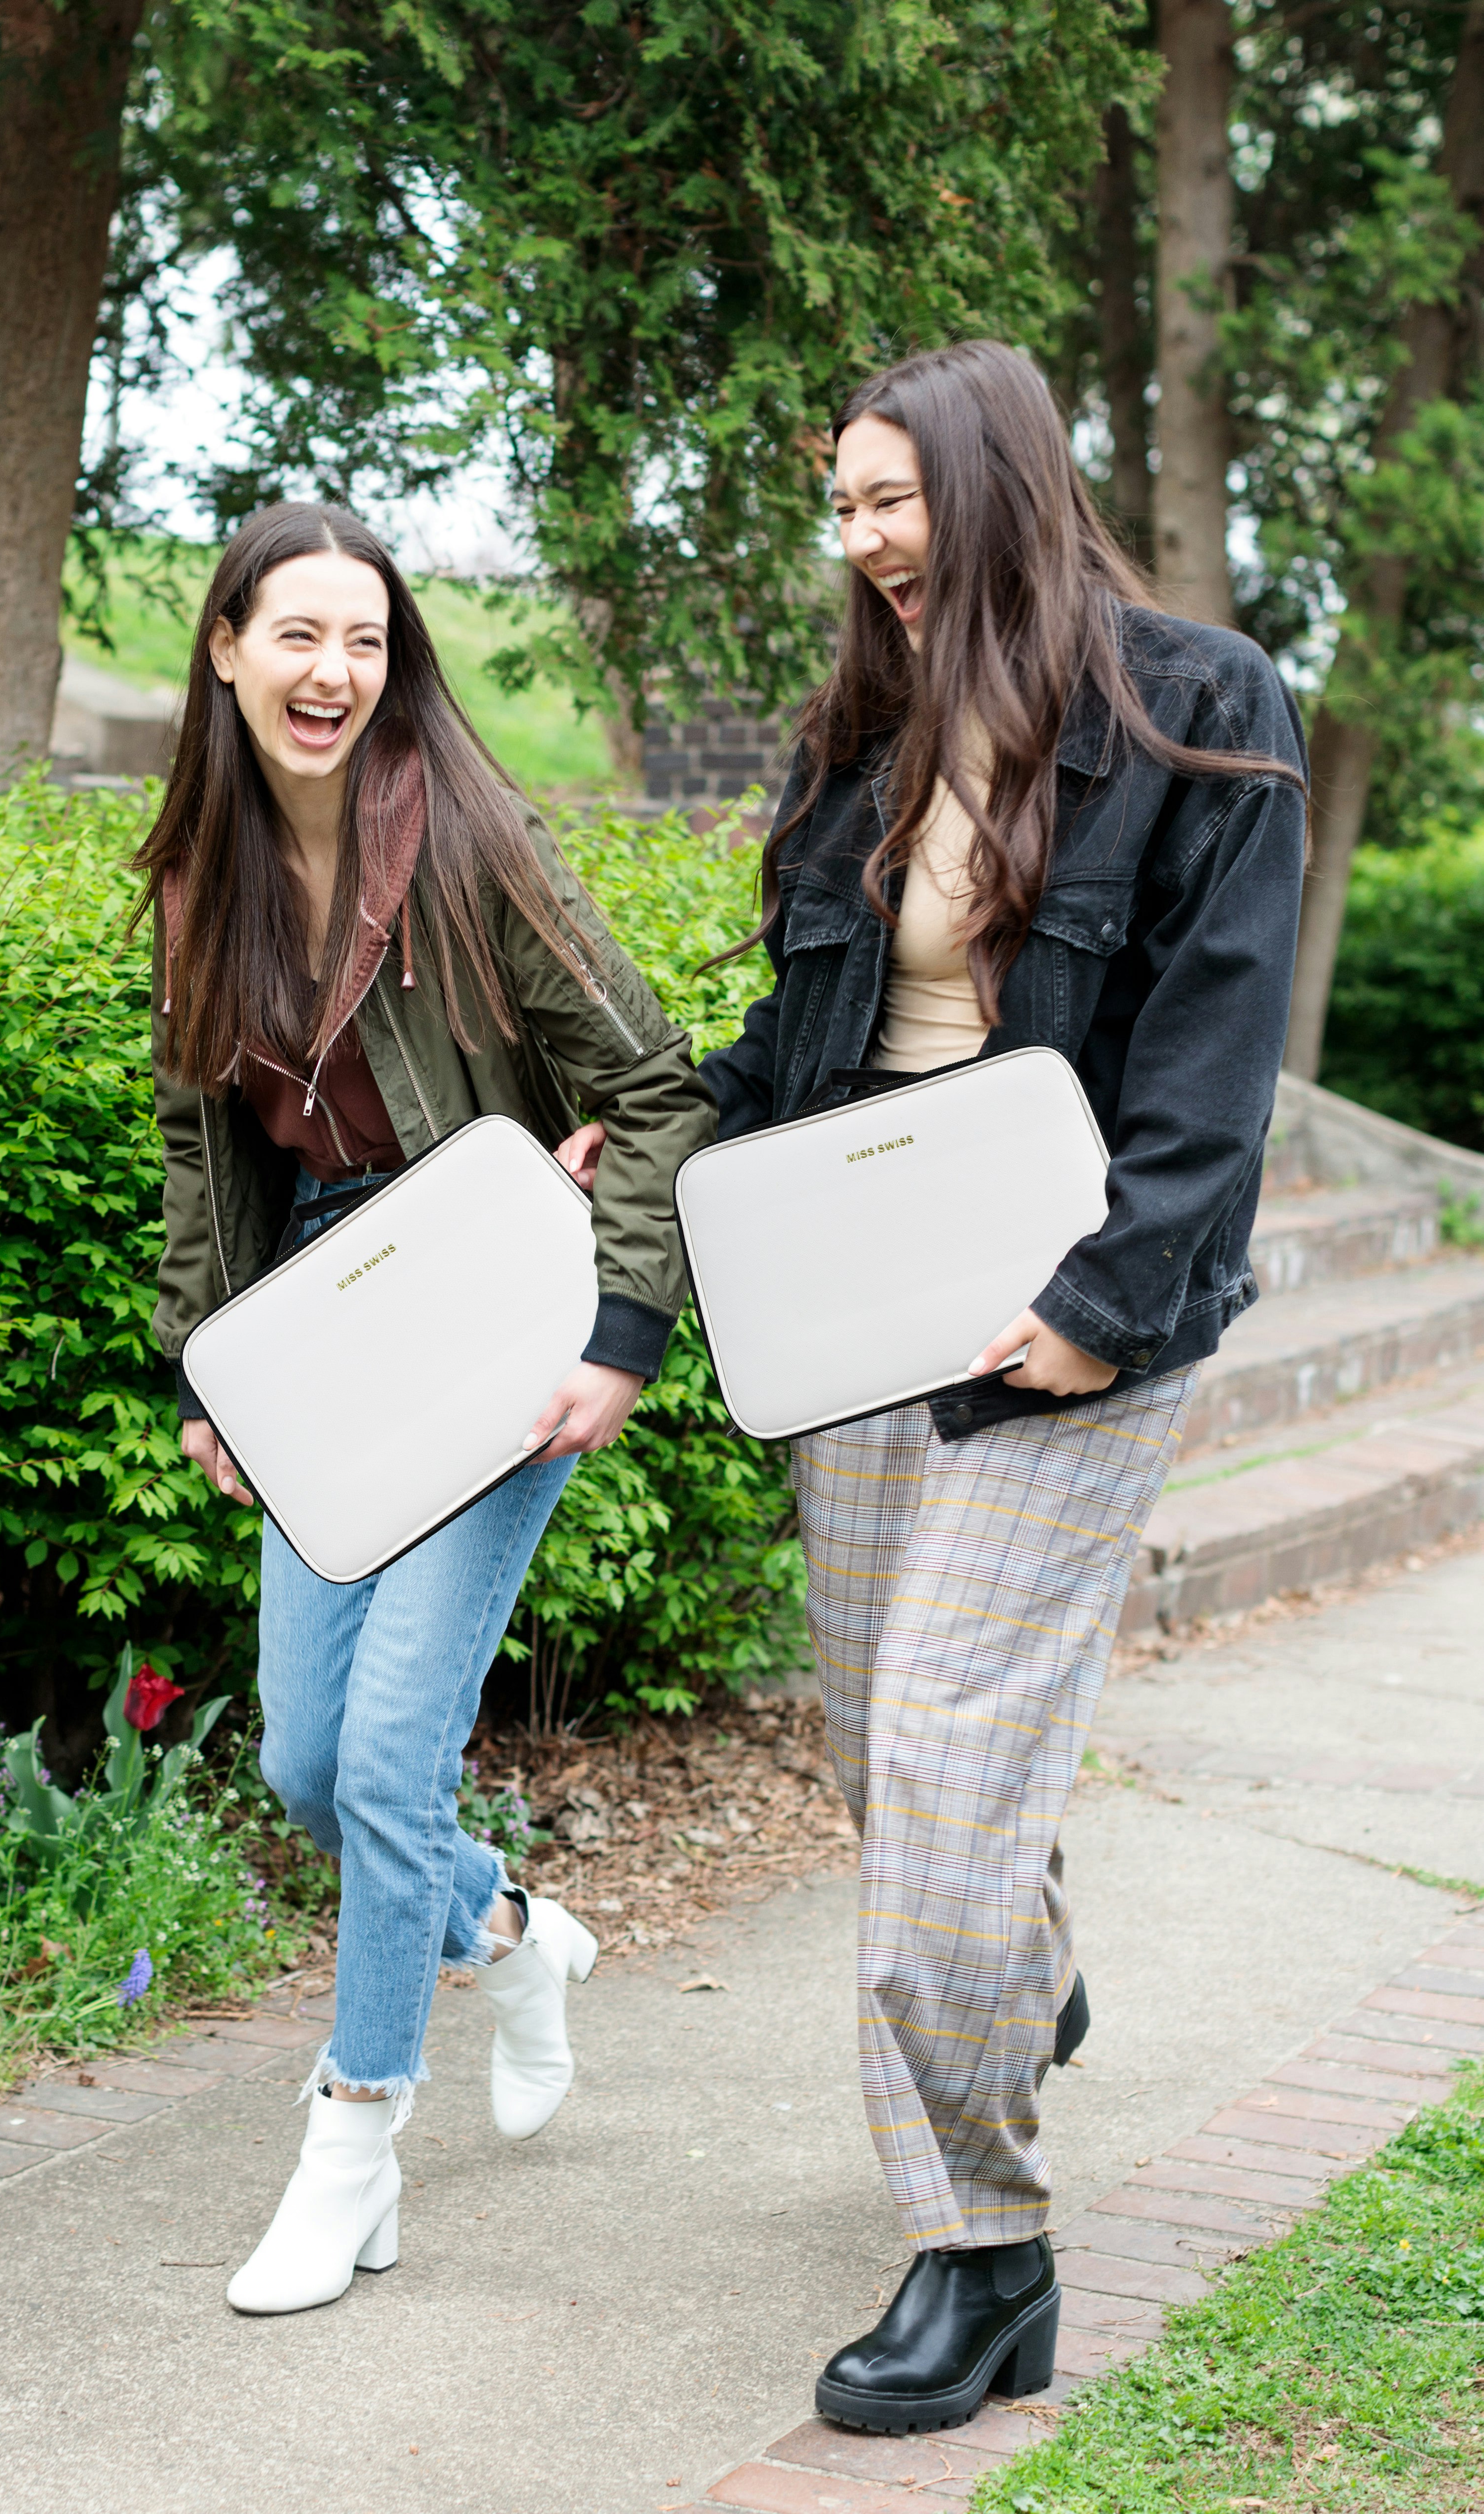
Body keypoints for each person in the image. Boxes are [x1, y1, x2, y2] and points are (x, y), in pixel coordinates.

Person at [696, 342, 1310, 2431]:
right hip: (869, 1308)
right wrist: (658, 1161)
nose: (864, 539)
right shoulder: (857, 741)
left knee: (950, 1761)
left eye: (894, 496)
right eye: (843, 503)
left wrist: (1102, 1303)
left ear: (998, 480)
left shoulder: (1198, 702)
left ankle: (984, 2251)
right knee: (893, 1761)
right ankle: (1017, 1980)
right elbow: (804, 1056)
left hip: (1075, 1319)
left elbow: (1221, 1053)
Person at [135, 501, 714, 2317]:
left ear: (395, 668)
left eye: (366, 642)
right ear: (227, 649)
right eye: (298, 636)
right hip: (319, 1317)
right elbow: (205, 1138)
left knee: (390, 1762)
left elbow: (659, 1082)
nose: (334, 673)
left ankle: (352, 2145)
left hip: (489, 1303)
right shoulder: (196, 877)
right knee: (312, 1770)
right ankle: (516, 1936)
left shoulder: (469, 843)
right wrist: (211, 1365)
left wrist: (619, 1332)